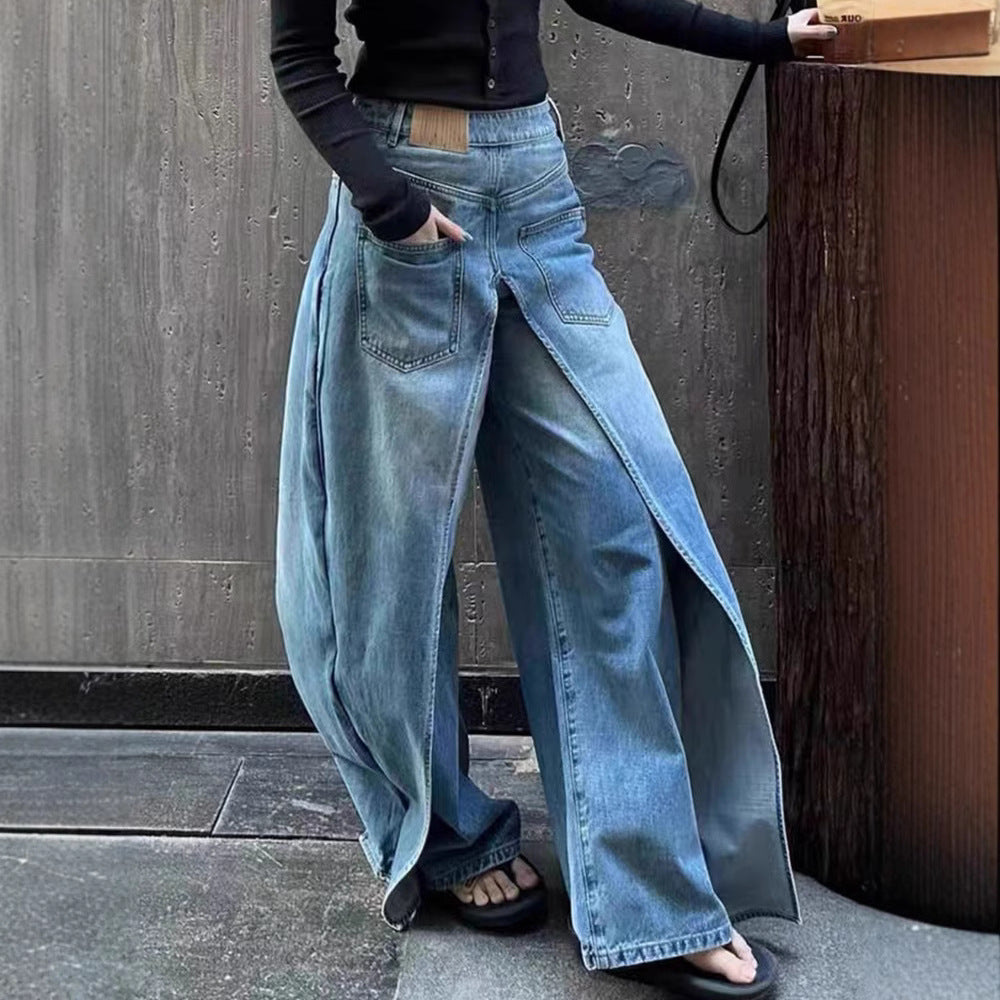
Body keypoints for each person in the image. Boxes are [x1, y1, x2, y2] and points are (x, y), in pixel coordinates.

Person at [268, 2, 837, 997]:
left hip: (535, 190)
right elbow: (300, 56)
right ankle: (448, 837)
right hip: (407, 196)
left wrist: (765, 39)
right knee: (392, 564)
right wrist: (390, 202)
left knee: (613, 533)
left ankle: (645, 897)